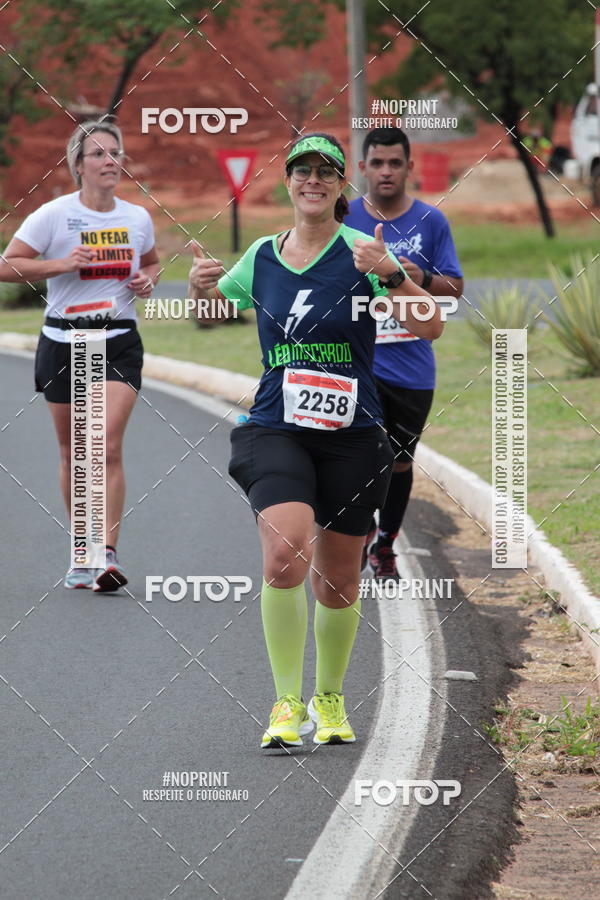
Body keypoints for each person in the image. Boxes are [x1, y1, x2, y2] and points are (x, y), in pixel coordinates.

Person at [188, 132, 443, 749]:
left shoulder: (363, 250)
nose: (313, 181)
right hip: (275, 427)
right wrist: (199, 290)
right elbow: (219, 314)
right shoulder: (261, 256)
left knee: (338, 580)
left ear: (339, 186)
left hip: (353, 434)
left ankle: (329, 696)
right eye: (302, 171)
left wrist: (394, 276)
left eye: (326, 172)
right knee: (285, 555)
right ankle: (285, 702)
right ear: (289, 181)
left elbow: (430, 324)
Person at [0, 120, 160, 591]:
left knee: (104, 443)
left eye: (116, 153)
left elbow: (150, 261)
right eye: (99, 154)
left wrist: (147, 279)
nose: (111, 161)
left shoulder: (136, 218)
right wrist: (62, 264)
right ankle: (82, 549)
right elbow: (8, 265)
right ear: (78, 165)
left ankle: (105, 554)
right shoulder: (52, 216)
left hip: (117, 341)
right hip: (63, 342)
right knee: (74, 452)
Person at [345, 127, 463, 580]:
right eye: (377, 163)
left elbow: (453, 289)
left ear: (410, 167)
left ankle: (385, 545)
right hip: (359, 362)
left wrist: (421, 278)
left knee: (398, 462)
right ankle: (356, 535)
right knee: (357, 457)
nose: (387, 171)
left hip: (412, 366)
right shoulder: (344, 218)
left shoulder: (432, 222)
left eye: (396, 163)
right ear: (363, 168)